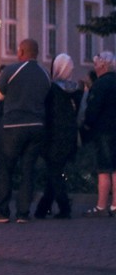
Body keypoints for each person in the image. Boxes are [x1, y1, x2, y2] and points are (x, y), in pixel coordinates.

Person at [0, 38, 50, 223]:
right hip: (37, 127)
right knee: (28, 171)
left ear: (21, 51)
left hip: (13, 126)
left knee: (6, 169)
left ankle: (2, 212)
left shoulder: (11, 71)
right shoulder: (45, 74)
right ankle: (23, 213)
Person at [35, 54, 82, 219]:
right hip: (69, 135)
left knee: (54, 172)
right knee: (55, 172)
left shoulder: (51, 89)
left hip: (53, 136)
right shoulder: (76, 89)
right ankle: (43, 208)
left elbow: (46, 115)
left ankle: (64, 207)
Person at [81, 51, 116, 218]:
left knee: (104, 169)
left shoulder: (100, 84)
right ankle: (115, 206)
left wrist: (87, 124)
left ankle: (101, 206)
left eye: (96, 64)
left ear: (103, 65)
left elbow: (93, 110)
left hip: (104, 131)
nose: (94, 67)